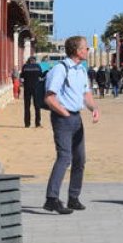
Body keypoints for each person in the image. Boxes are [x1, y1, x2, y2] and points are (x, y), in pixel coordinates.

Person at [42, 36, 100, 214]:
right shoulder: (60, 69)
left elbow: (86, 94)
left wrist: (94, 108)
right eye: (85, 48)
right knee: (64, 157)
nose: (88, 50)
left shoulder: (81, 70)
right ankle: (51, 199)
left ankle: (73, 197)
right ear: (77, 51)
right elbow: (49, 97)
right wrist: (64, 113)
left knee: (80, 159)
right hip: (63, 118)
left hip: (77, 118)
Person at [19, 55, 45, 128]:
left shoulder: (25, 67)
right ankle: (38, 123)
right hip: (36, 88)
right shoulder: (37, 66)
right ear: (34, 60)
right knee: (37, 106)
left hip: (27, 88)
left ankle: (27, 124)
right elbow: (41, 76)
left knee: (27, 106)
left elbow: (21, 77)